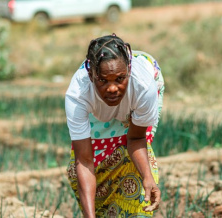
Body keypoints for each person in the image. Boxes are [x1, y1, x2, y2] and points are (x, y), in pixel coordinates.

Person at [65, 34, 164, 217]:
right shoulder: (78, 94)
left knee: (130, 162)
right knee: (81, 168)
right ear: (91, 75)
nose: (112, 88)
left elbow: (136, 139)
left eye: (120, 79)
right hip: (97, 106)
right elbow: (85, 161)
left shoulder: (144, 87)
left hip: (135, 103)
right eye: (103, 80)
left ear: (129, 71)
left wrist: (148, 177)